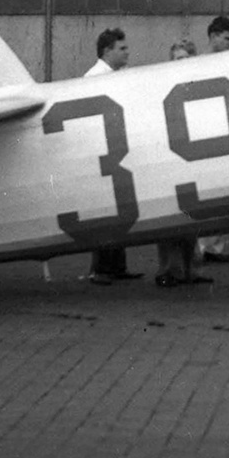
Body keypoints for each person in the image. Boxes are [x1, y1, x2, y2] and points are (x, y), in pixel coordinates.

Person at [82, 28, 141, 285]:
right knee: (105, 212)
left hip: (117, 152)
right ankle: (101, 269)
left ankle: (117, 267)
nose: (127, 52)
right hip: (101, 154)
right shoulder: (92, 79)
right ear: (107, 51)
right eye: (122, 48)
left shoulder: (120, 75)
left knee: (119, 211)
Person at [155, 41, 212, 288]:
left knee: (194, 219)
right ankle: (170, 269)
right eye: (176, 58)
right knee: (170, 219)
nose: (181, 62)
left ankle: (193, 269)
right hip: (171, 158)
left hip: (193, 155)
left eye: (185, 57)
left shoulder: (200, 83)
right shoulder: (163, 85)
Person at [198, 16, 229, 264]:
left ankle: (214, 246)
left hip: (224, 131)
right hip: (204, 133)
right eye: (226, 38)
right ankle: (200, 246)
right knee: (204, 192)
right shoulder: (199, 64)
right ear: (213, 36)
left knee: (222, 191)